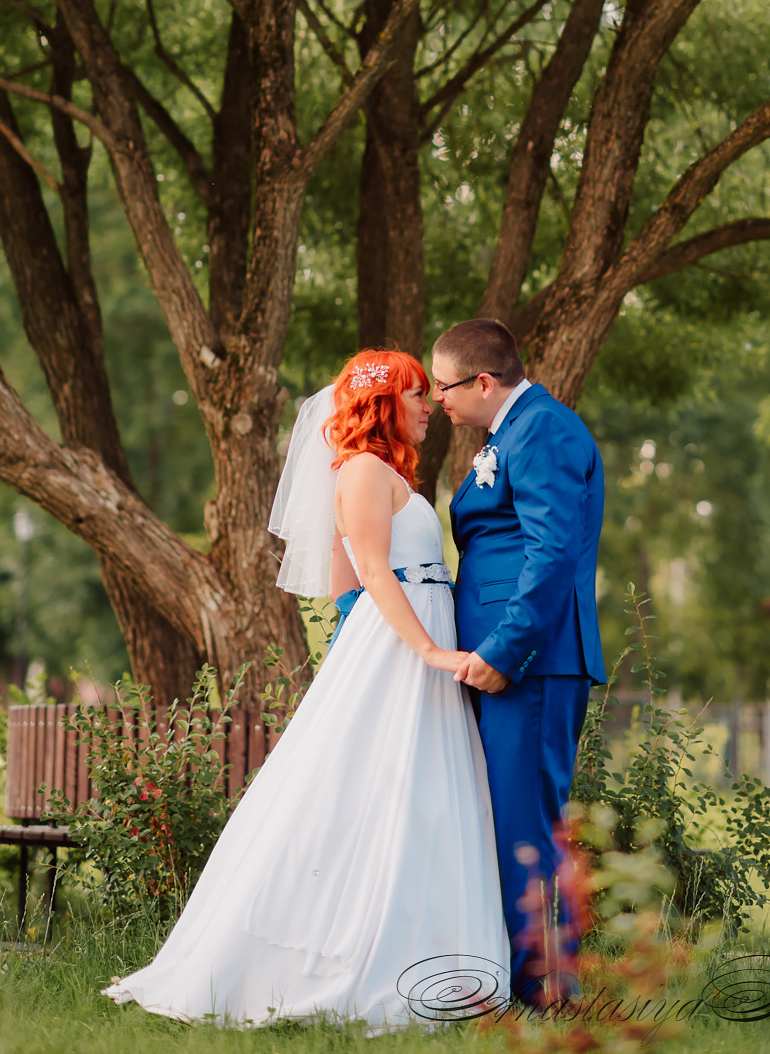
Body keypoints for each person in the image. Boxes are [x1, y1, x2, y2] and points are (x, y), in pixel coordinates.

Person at [104, 350, 509, 1029]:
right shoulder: (359, 472)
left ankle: (435, 952)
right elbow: (371, 576)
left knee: (423, 794)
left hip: (408, 643)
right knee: (369, 790)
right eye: (414, 396)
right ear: (382, 405)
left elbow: (342, 583)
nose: (425, 410)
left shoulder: (391, 476)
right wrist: (428, 649)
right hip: (403, 648)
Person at [432, 318, 606, 1003]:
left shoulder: (544, 428)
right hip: (501, 661)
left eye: (444, 386)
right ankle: (515, 978)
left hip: (529, 663)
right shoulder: (508, 434)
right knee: (504, 822)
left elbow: (553, 551)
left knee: (526, 827)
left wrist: (506, 649)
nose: (437, 399)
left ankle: (547, 994)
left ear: (481, 381)